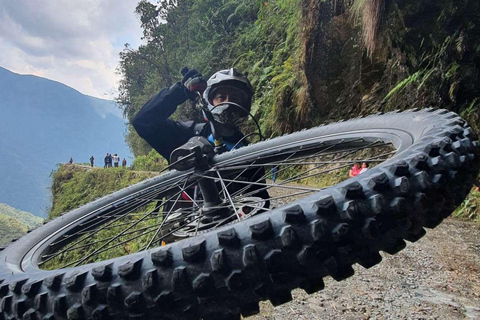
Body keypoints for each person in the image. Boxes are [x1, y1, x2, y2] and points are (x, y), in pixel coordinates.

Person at [132, 67, 269, 204]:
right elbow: (143, 122)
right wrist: (180, 92)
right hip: (183, 223)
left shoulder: (250, 154)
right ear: (209, 101)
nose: (228, 103)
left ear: (244, 106)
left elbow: (261, 201)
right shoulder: (187, 134)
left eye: (235, 99)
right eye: (221, 97)